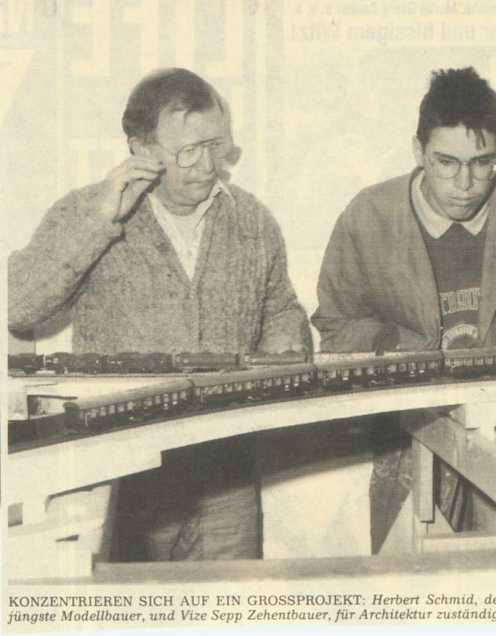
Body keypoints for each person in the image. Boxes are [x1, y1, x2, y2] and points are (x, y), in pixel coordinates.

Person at [8, 68, 311, 560]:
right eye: (188, 151)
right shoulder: (86, 212)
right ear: (141, 150)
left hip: (227, 474)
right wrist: (101, 219)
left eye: (216, 145)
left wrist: (285, 340)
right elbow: (18, 307)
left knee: (232, 602)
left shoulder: (253, 220)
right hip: (125, 476)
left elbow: (279, 306)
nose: (208, 165)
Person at [312, 67, 496, 551]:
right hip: (410, 440)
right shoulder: (368, 218)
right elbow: (335, 329)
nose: (465, 184)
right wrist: (403, 346)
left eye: (482, 164)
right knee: (415, 586)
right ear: (418, 151)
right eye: (446, 163)